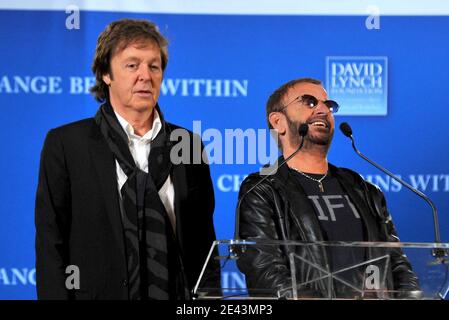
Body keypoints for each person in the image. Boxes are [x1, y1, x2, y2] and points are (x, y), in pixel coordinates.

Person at [35, 19, 218, 300]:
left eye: (153, 66)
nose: (145, 75)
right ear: (106, 73)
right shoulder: (66, 144)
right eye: (132, 65)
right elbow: (51, 244)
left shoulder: (188, 144)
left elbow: (204, 244)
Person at [236, 78, 420, 299]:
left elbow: (398, 264)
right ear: (278, 122)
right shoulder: (262, 190)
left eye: (328, 105)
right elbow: (264, 271)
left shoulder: (363, 189)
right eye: (309, 102)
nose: (323, 109)